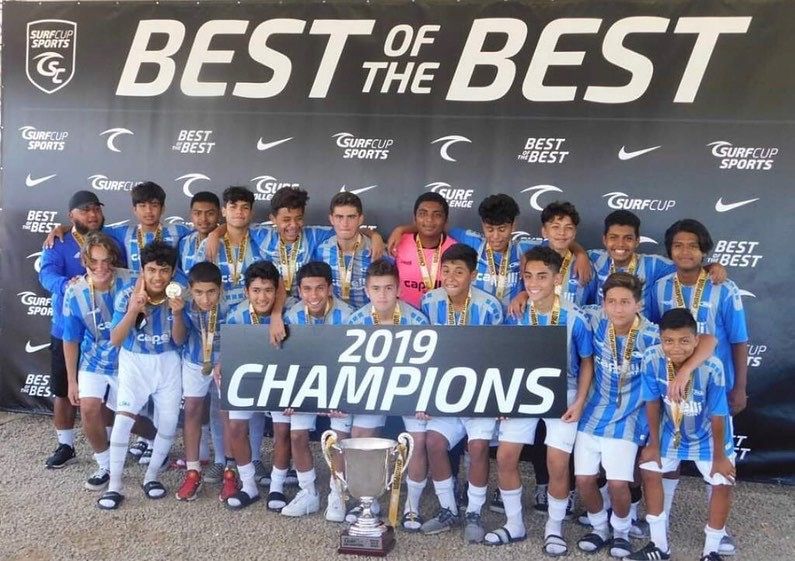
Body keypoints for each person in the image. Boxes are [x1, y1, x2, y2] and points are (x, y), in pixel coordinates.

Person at [576, 273, 716, 558]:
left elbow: (709, 340)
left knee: (618, 483)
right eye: (611, 301)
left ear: (638, 304)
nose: (617, 308)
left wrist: (686, 371)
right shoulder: (594, 318)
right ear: (603, 303)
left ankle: (621, 532)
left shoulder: (652, 334)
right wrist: (522, 296)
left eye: (625, 302)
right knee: (584, 480)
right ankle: (599, 527)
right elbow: (553, 304)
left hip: (630, 417)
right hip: (593, 413)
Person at [650, 219, 749, 555]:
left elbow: (738, 339)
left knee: (717, 463)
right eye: (678, 245)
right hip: (669, 389)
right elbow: (653, 333)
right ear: (669, 250)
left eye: (693, 245)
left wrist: (740, 387)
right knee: (669, 456)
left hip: (713, 389)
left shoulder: (725, 287)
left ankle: (718, 534)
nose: (685, 251)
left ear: (704, 249)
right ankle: (661, 524)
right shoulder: (660, 287)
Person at [488, 247, 593, 553]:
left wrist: (580, 401)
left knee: (557, 462)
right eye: (528, 276)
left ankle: (554, 528)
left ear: (557, 279)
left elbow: (587, 362)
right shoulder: (517, 313)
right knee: (506, 456)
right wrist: (503, 398)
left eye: (542, 276)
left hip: (564, 390)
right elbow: (505, 357)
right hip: (523, 389)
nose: (534, 283)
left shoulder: (575, 317)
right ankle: (514, 524)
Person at [627, 308, 735, 561]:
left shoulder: (712, 366)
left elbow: (718, 414)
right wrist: (654, 444)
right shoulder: (652, 358)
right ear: (661, 340)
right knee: (650, 469)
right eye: (669, 341)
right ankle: (659, 545)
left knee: (722, 481)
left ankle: (711, 551)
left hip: (708, 434)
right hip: (671, 430)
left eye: (684, 341)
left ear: (696, 341)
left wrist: (720, 456)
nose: (676, 348)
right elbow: (652, 402)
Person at [419, 244, 503, 543]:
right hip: (444, 392)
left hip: (479, 393)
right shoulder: (429, 301)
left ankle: (474, 513)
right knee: (433, 442)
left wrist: (497, 399)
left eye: (459, 272)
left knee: (478, 448)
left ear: (473, 275)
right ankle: (448, 509)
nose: (451, 277)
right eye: (446, 271)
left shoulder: (490, 306)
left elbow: (500, 355)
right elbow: (423, 351)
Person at [343, 259, 430, 528]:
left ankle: (412, 506)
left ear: (399, 289)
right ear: (366, 290)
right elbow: (347, 366)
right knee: (360, 436)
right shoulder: (356, 320)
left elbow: (428, 365)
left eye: (389, 288)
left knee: (417, 440)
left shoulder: (417, 320)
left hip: (409, 389)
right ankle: (367, 501)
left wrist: (423, 400)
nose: (382, 295)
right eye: (376, 288)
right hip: (372, 388)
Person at [98, 241, 185, 510]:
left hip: (168, 362)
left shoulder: (179, 293)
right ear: (143, 270)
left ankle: (151, 477)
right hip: (134, 362)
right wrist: (133, 311)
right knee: (123, 421)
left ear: (172, 272)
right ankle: (114, 486)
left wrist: (178, 314)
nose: (158, 277)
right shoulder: (127, 294)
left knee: (168, 424)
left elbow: (180, 340)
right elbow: (115, 339)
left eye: (164, 270)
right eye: (152, 270)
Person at [62, 232, 152, 489]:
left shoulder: (133, 280)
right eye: (94, 261)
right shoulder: (74, 291)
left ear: (113, 258)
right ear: (84, 262)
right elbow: (70, 339)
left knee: (132, 416)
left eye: (106, 260)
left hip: (127, 357)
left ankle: (156, 443)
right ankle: (104, 464)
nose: (100, 267)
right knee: (88, 408)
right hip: (93, 359)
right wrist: (71, 381)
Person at [39, 190, 119, 468]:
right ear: (71, 215)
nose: (92, 214)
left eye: (96, 209)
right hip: (67, 328)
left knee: (105, 394)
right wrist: (69, 285)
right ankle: (65, 444)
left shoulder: (111, 237)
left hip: (104, 333)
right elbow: (46, 274)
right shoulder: (58, 241)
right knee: (64, 390)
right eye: (85, 210)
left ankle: (109, 444)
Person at [281, 262, 355, 518]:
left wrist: (339, 396)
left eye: (320, 288)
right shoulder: (292, 316)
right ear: (299, 290)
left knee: (338, 441)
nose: (313, 295)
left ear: (330, 289)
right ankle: (308, 493)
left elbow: (352, 362)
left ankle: (337, 493)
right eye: (307, 289)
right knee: (296, 436)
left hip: (339, 383)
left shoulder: (348, 315)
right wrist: (290, 395)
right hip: (306, 383)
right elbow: (288, 359)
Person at [223, 261, 293, 512]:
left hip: (281, 378)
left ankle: (276, 487)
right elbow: (229, 350)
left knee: (282, 430)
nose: (262, 297)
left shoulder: (290, 312)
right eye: (256, 290)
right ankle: (249, 486)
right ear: (246, 292)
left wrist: (277, 315)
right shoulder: (235, 315)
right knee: (235, 427)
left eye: (268, 290)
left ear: (277, 291)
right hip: (249, 376)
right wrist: (222, 363)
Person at [175, 262, 229, 502]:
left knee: (226, 413)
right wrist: (177, 314)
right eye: (198, 292)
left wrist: (226, 359)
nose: (205, 299)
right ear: (190, 289)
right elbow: (178, 339)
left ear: (220, 288)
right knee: (192, 410)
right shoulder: (184, 304)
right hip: (195, 361)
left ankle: (230, 470)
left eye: (211, 292)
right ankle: (192, 470)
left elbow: (239, 334)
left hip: (226, 361)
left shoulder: (231, 305)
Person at [390, 192, 458, 308]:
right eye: (423, 214)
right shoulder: (398, 243)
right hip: (405, 315)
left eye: (437, 215)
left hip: (442, 315)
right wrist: (374, 235)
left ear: (446, 221)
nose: (429, 220)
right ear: (414, 219)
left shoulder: (455, 249)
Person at [313, 191, 374, 310]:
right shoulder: (321, 251)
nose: (345, 223)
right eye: (339, 217)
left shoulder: (375, 250)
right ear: (331, 219)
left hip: (367, 318)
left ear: (360, 219)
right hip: (333, 318)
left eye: (351, 217)